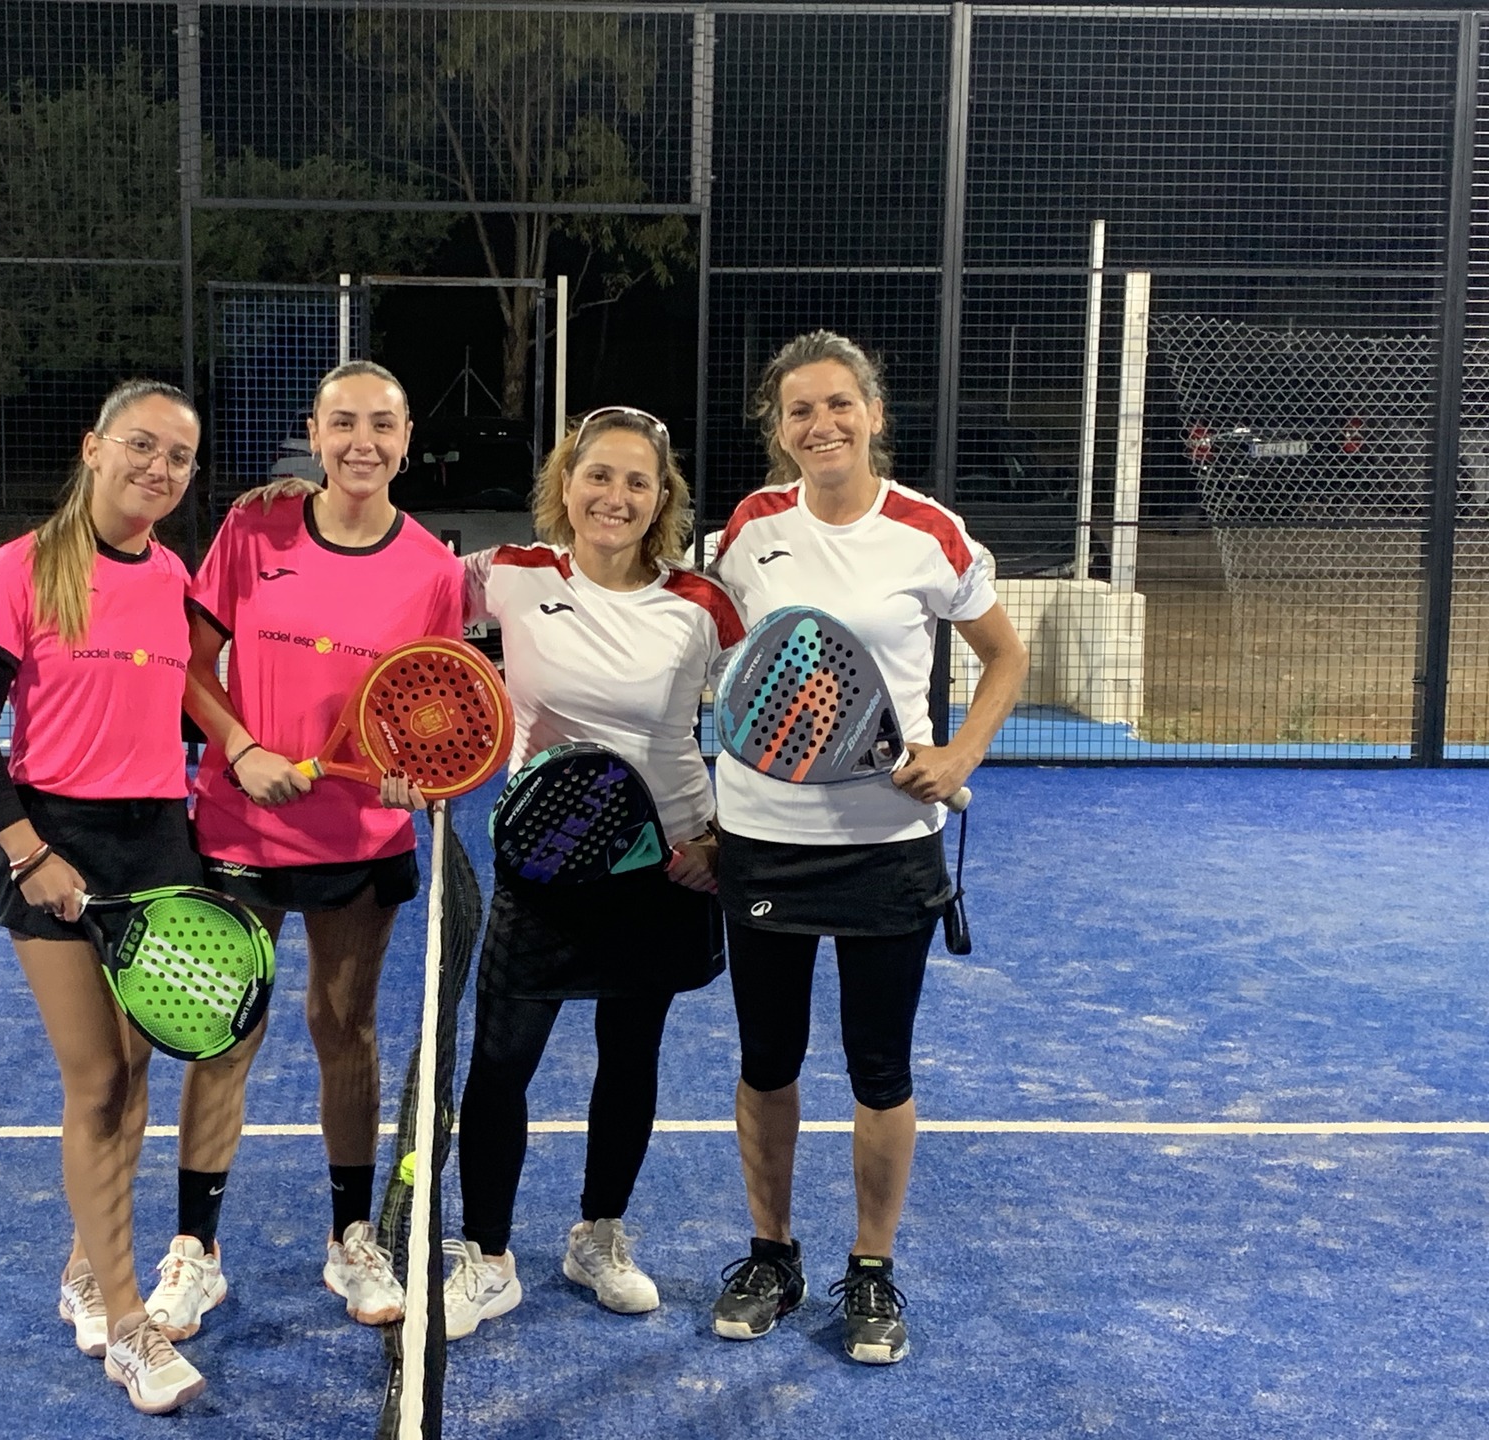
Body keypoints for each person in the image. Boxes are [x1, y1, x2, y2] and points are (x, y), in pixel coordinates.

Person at [706, 331, 1029, 1363]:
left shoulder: (928, 533)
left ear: (874, 413)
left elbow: (1006, 655)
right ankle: (772, 1253)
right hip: (764, 837)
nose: (822, 425)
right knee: (767, 1061)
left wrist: (960, 751)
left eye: (839, 403)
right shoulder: (749, 529)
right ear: (780, 429)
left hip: (889, 846)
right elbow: (726, 655)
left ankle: (872, 1267)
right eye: (800, 410)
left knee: (879, 1068)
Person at [442, 406, 741, 1340]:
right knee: (501, 1062)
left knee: (631, 1055)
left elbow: (763, 717)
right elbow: (390, 582)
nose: (615, 496)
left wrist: (724, 843)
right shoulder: (512, 574)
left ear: (663, 497)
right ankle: (488, 1255)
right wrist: (308, 507)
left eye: (637, 481)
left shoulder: (705, 604)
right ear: (564, 486)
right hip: (545, 860)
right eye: (597, 475)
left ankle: (599, 1234)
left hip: (666, 865)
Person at [177, 359, 463, 1328]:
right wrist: (242, 748)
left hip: (360, 835)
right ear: (314, 432)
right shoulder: (253, 529)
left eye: (382, 425)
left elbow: (429, 710)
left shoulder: (433, 569)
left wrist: (411, 772)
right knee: (226, 1031)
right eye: (343, 423)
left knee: (346, 1029)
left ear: (408, 440)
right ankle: (196, 1247)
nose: (362, 443)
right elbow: (190, 664)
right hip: (241, 821)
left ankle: (351, 1238)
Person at [0, 379, 211, 1415]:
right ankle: (132, 1326)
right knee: (96, 1079)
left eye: (179, 456)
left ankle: (87, 1271)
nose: (159, 468)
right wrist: (29, 854)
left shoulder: (172, 572)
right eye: (141, 445)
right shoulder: (21, 567)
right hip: (55, 845)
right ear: (94, 448)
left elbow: (182, 704)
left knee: (134, 1073)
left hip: (158, 842)